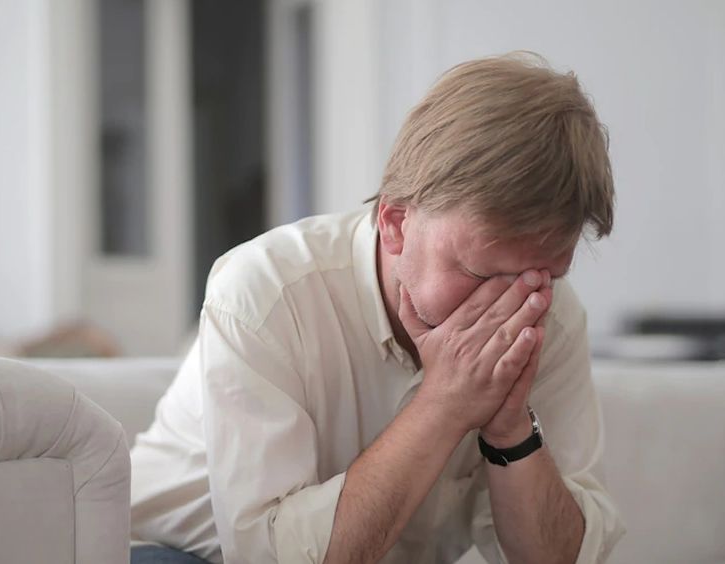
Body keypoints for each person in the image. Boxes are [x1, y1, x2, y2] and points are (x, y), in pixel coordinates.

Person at [129, 52, 625, 564]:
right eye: (480, 274)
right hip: (170, 553)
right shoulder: (265, 292)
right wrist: (445, 403)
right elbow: (267, 557)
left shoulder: (551, 318)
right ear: (395, 224)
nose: (506, 310)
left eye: (541, 278)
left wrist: (510, 431)